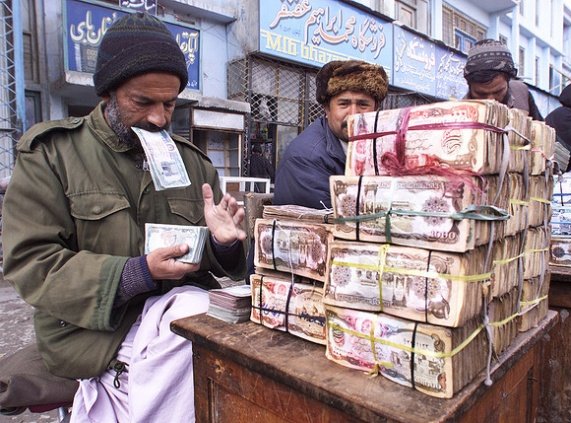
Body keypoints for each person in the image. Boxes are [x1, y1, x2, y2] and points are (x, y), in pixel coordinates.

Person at [1, 12, 246, 422]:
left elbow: (211, 257)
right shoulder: (51, 155)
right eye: (142, 102)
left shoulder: (192, 163)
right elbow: (31, 264)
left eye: (170, 103)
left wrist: (222, 244)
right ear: (107, 94)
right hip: (91, 334)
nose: (159, 118)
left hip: (178, 318)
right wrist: (137, 274)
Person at [273, 59, 388, 209]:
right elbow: (338, 219)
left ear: (375, 109)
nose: (353, 114)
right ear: (327, 108)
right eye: (344, 104)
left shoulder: (377, 146)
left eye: (363, 104)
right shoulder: (304, 158)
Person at [463, 39, 543, 121]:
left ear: (508, 82)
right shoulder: (460, 115)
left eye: (498, 92)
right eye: (481, 94)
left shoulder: (522, 93)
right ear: (470, 86)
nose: (491, 101)